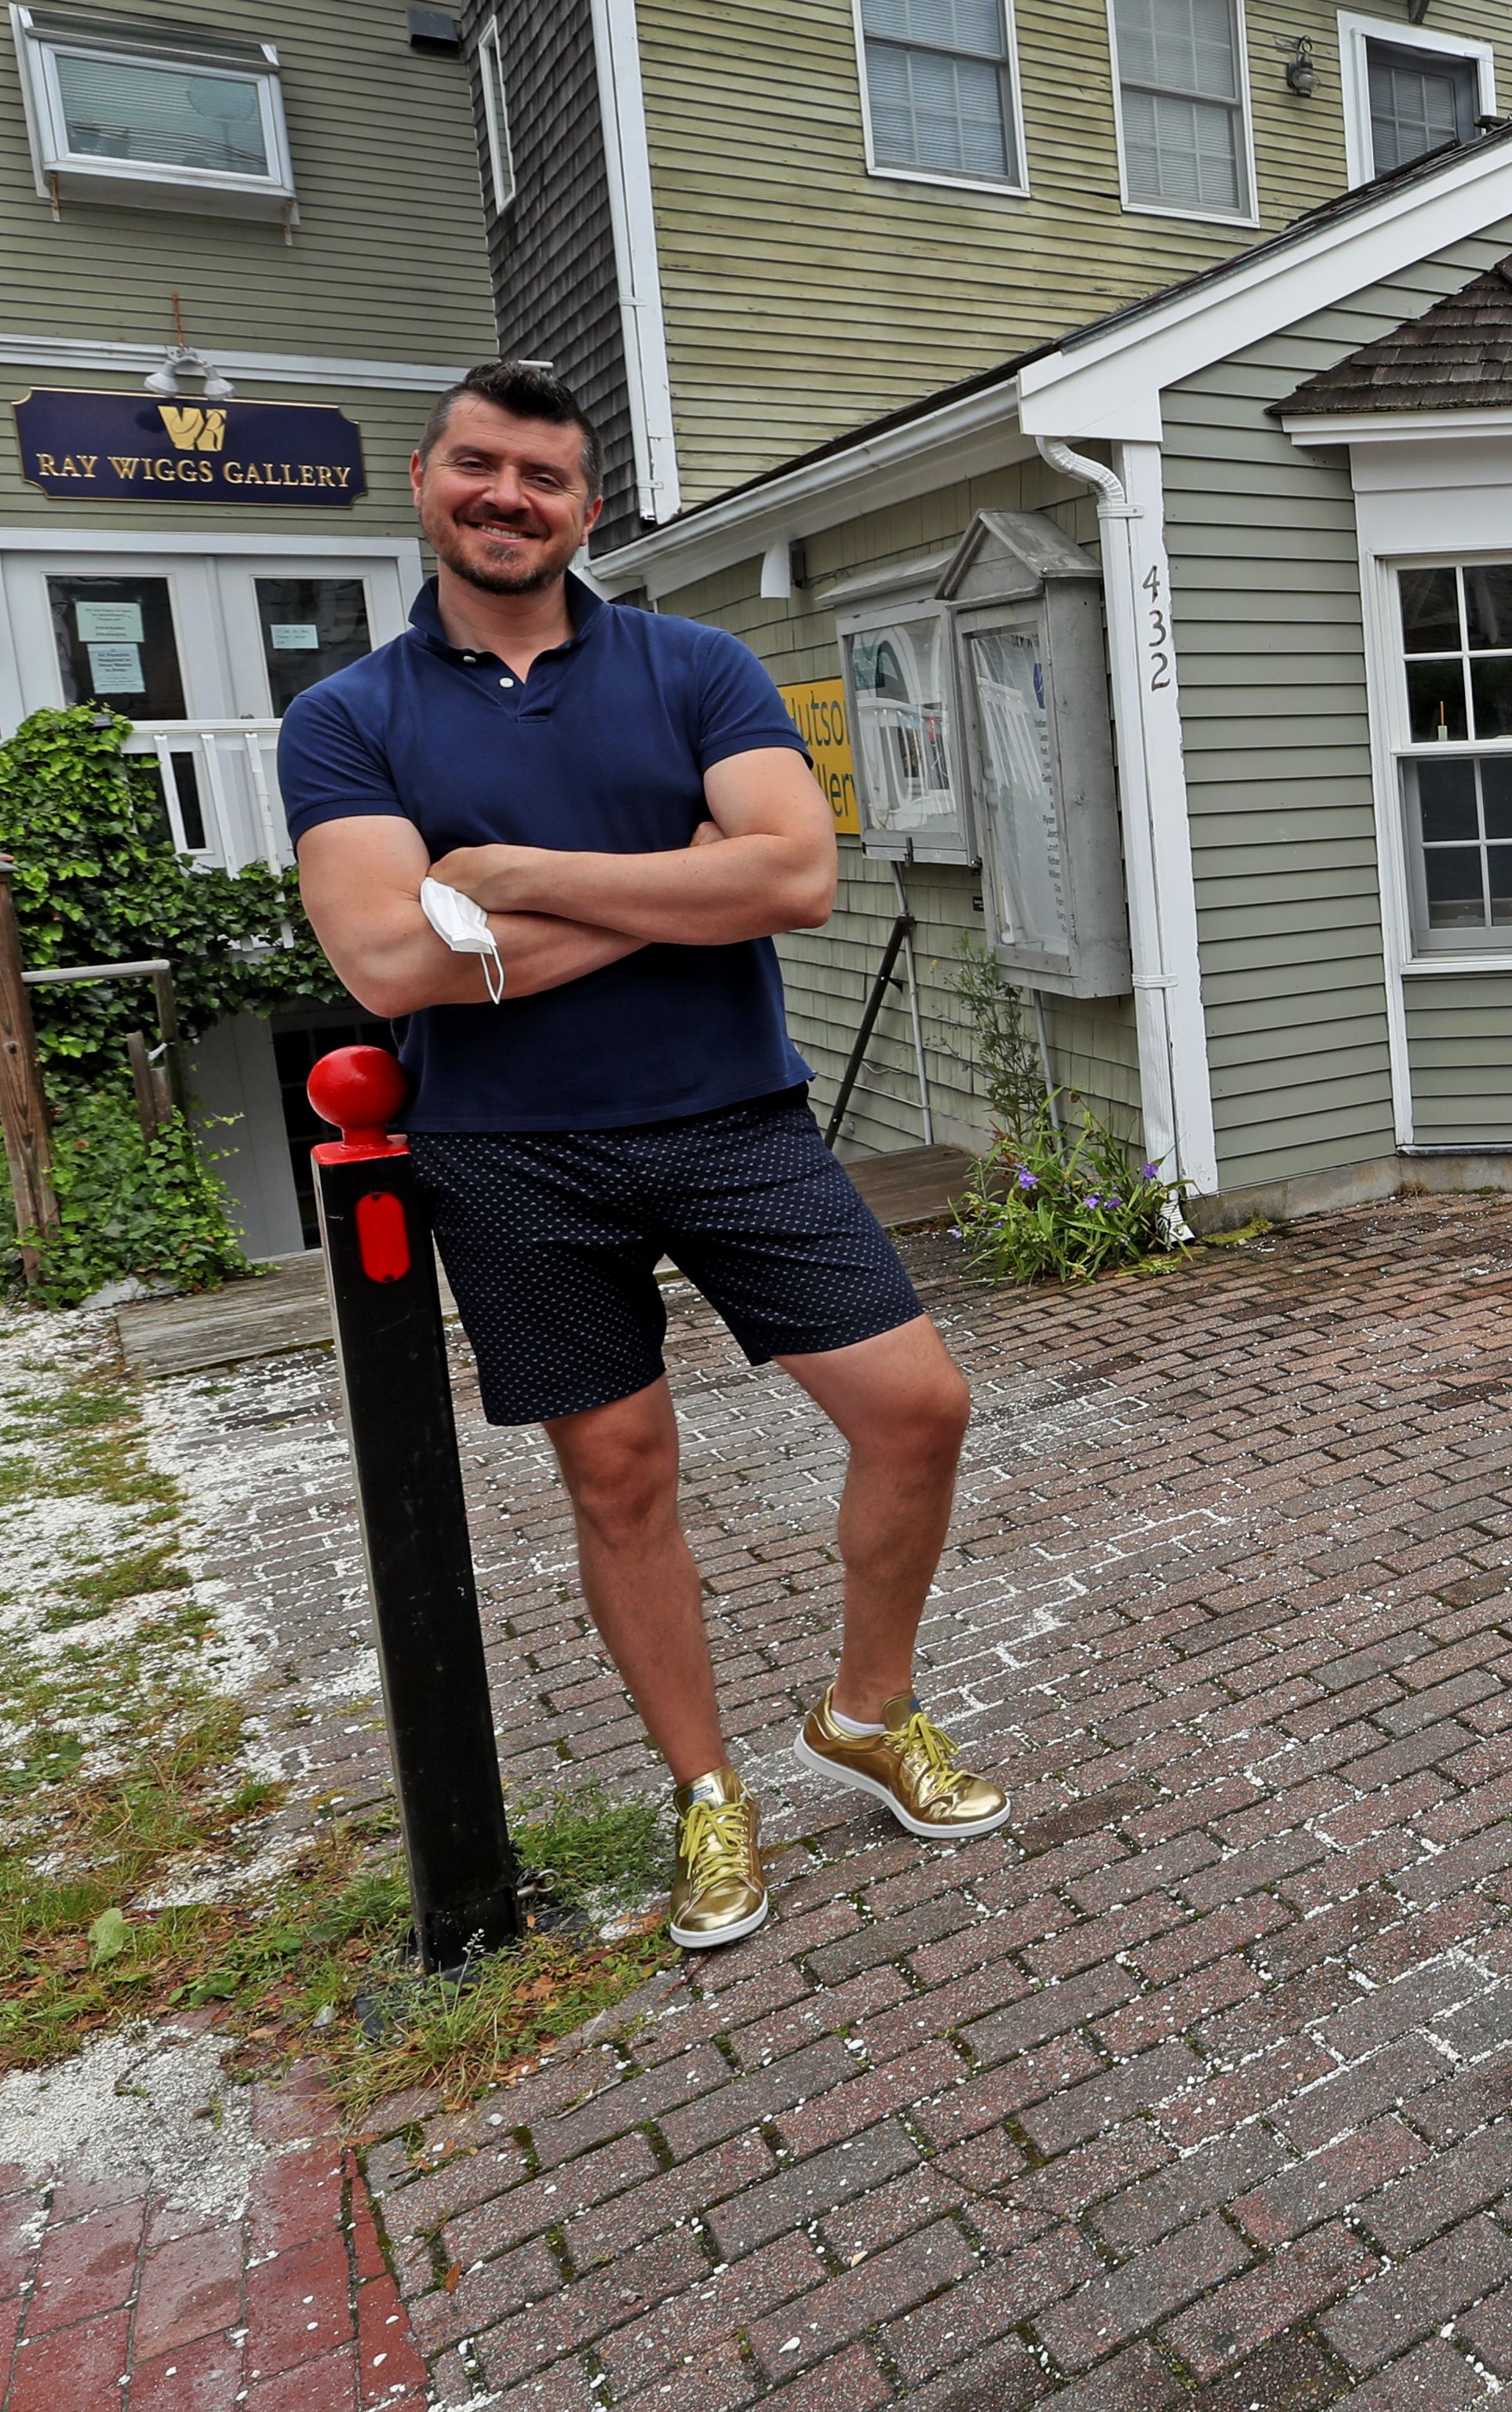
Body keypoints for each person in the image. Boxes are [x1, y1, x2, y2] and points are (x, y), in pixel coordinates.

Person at [284, 361, 1007, 1953]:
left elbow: (799, 879)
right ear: (423, 480)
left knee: (918, 1408)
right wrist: (682, 883)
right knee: (620, 1479)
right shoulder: (347, 718)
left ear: (585, 507)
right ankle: (706, 1794)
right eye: (478, 466)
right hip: (506, 1154)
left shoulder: (696, 666)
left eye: (542, 478)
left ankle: (869, 1710)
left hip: (731, 1116)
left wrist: (517, 881)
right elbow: (395, 969)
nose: (507, 497)